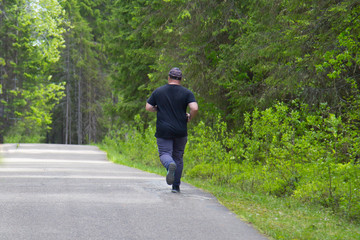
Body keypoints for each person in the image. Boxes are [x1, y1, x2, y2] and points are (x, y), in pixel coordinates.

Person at [146, 67, 198, 193]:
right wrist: (190, 117)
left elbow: (148, 107)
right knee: (178, 157)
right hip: (180, 130)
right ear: (180, 79)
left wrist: (158, 109)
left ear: (169, 77)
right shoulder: (187, 93)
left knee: (165, 154)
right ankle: (176, 186)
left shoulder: (159, 91)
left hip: (164, 130)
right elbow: (194, 108)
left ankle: (169, 165)